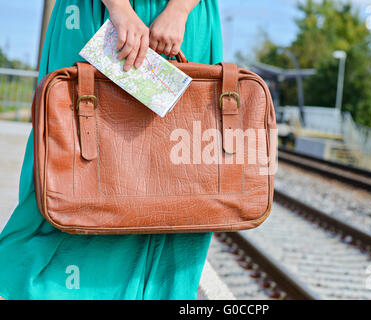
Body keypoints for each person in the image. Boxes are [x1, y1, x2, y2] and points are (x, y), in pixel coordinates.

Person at [0, 0, 222, 300]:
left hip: (182, 20)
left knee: (177, 182)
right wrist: (119, 8)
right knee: (68, 162)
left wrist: (180, 9)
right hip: (95, 14)